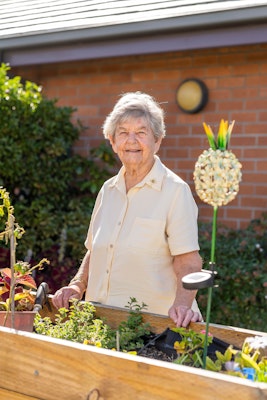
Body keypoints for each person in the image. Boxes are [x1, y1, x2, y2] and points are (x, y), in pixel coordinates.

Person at [52, 91, 203, 327]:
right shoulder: (108, 190)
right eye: (123, 132)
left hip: (153, 330)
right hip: (100, 324)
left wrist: (183, 304)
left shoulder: (175, 191)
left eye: (141, 132)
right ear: (113, 142)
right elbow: (96, 250)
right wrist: (77, 285)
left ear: (158, 140)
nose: (131, 141)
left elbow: (188, 261)